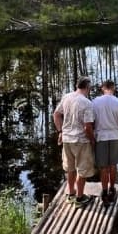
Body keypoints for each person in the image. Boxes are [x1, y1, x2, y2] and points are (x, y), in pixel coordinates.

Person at [52, 76, 95, 207]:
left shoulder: (67, 97)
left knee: (70, 168)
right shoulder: (87, 103)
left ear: (77, 86)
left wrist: (60, 131)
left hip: (66, 139)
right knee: (82, 170)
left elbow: (56, 114)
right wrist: (92, 139)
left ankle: (70, 194)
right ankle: (80, 197)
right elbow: (87, 127)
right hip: (81, 140)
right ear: (88, 88)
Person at [92, 79, 118, 204]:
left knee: (103, 167)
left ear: (103, 88)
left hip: (101, 137)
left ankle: (103, 190)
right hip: (115, 136)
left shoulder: (95, 102)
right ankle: (112, 188)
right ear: (113, 88)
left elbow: (91, 121)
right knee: (113, 166)